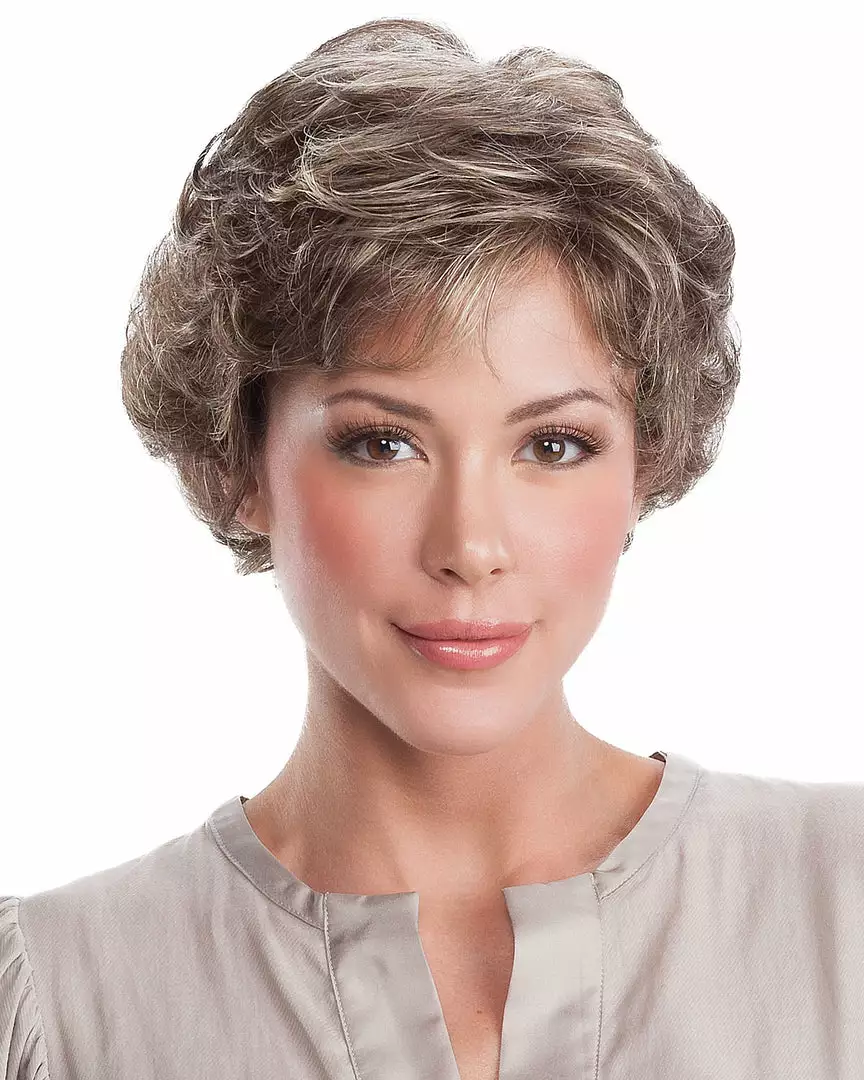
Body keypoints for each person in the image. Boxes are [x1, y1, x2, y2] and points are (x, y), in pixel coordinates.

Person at [3, 15, 863, 1080]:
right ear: (238, 461)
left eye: (553, 444)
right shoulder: (70, 1003)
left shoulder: (841, 907)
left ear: (648, 460)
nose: (471, 546)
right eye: (383, 443)